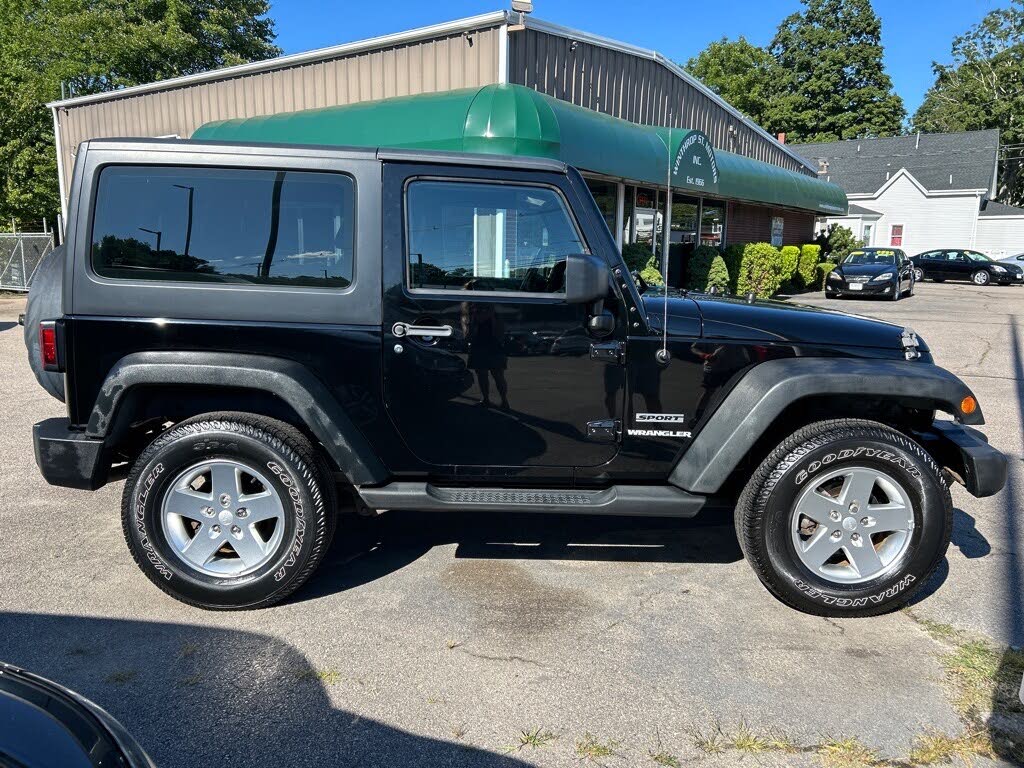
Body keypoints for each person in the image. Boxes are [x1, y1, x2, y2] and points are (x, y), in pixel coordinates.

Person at [461, 281, 510, 409]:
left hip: (493, 343)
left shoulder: (492, 305)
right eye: (475, 288)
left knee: (497, 374)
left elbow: (493, 323)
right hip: (478, 343)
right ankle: (486, 399)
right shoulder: (470, 306)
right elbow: (468, 326)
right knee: (482, 374)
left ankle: (504, 401)